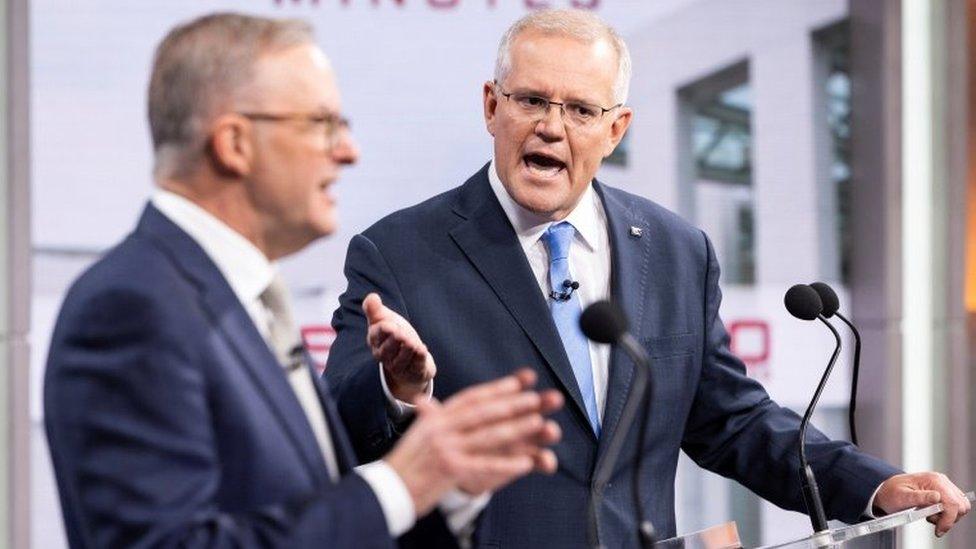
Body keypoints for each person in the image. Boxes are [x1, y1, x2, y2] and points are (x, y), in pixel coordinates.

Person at [324, 8, 971, 548]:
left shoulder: (675, 249)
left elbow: (732, 421)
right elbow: (338, 433)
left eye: (580, 109)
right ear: (492, 105)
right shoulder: (400, 251)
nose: (551, 124)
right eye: (531, 100)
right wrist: (397, 390)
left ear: (615, 129)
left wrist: (871, 485)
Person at [44, 12, 563, 549]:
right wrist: (398, 484)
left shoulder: (240, 300)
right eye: (321, 124)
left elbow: (312, 512)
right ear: (235, 144)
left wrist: (445, 488)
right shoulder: (132, 308)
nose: (347, 151)